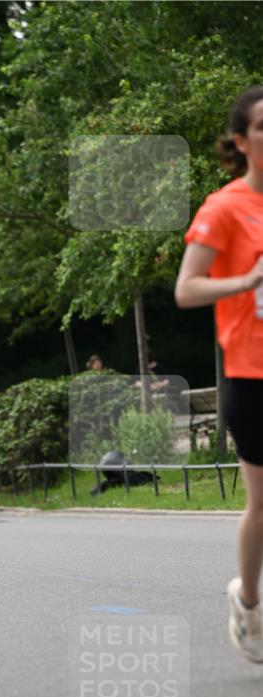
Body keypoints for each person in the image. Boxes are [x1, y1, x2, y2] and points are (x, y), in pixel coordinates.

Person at [175, 85, 263, 663]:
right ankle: (248, 602)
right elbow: (186, 290)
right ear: (242, 141)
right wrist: (247, 281)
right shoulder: (225, 208)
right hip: (252, 375)